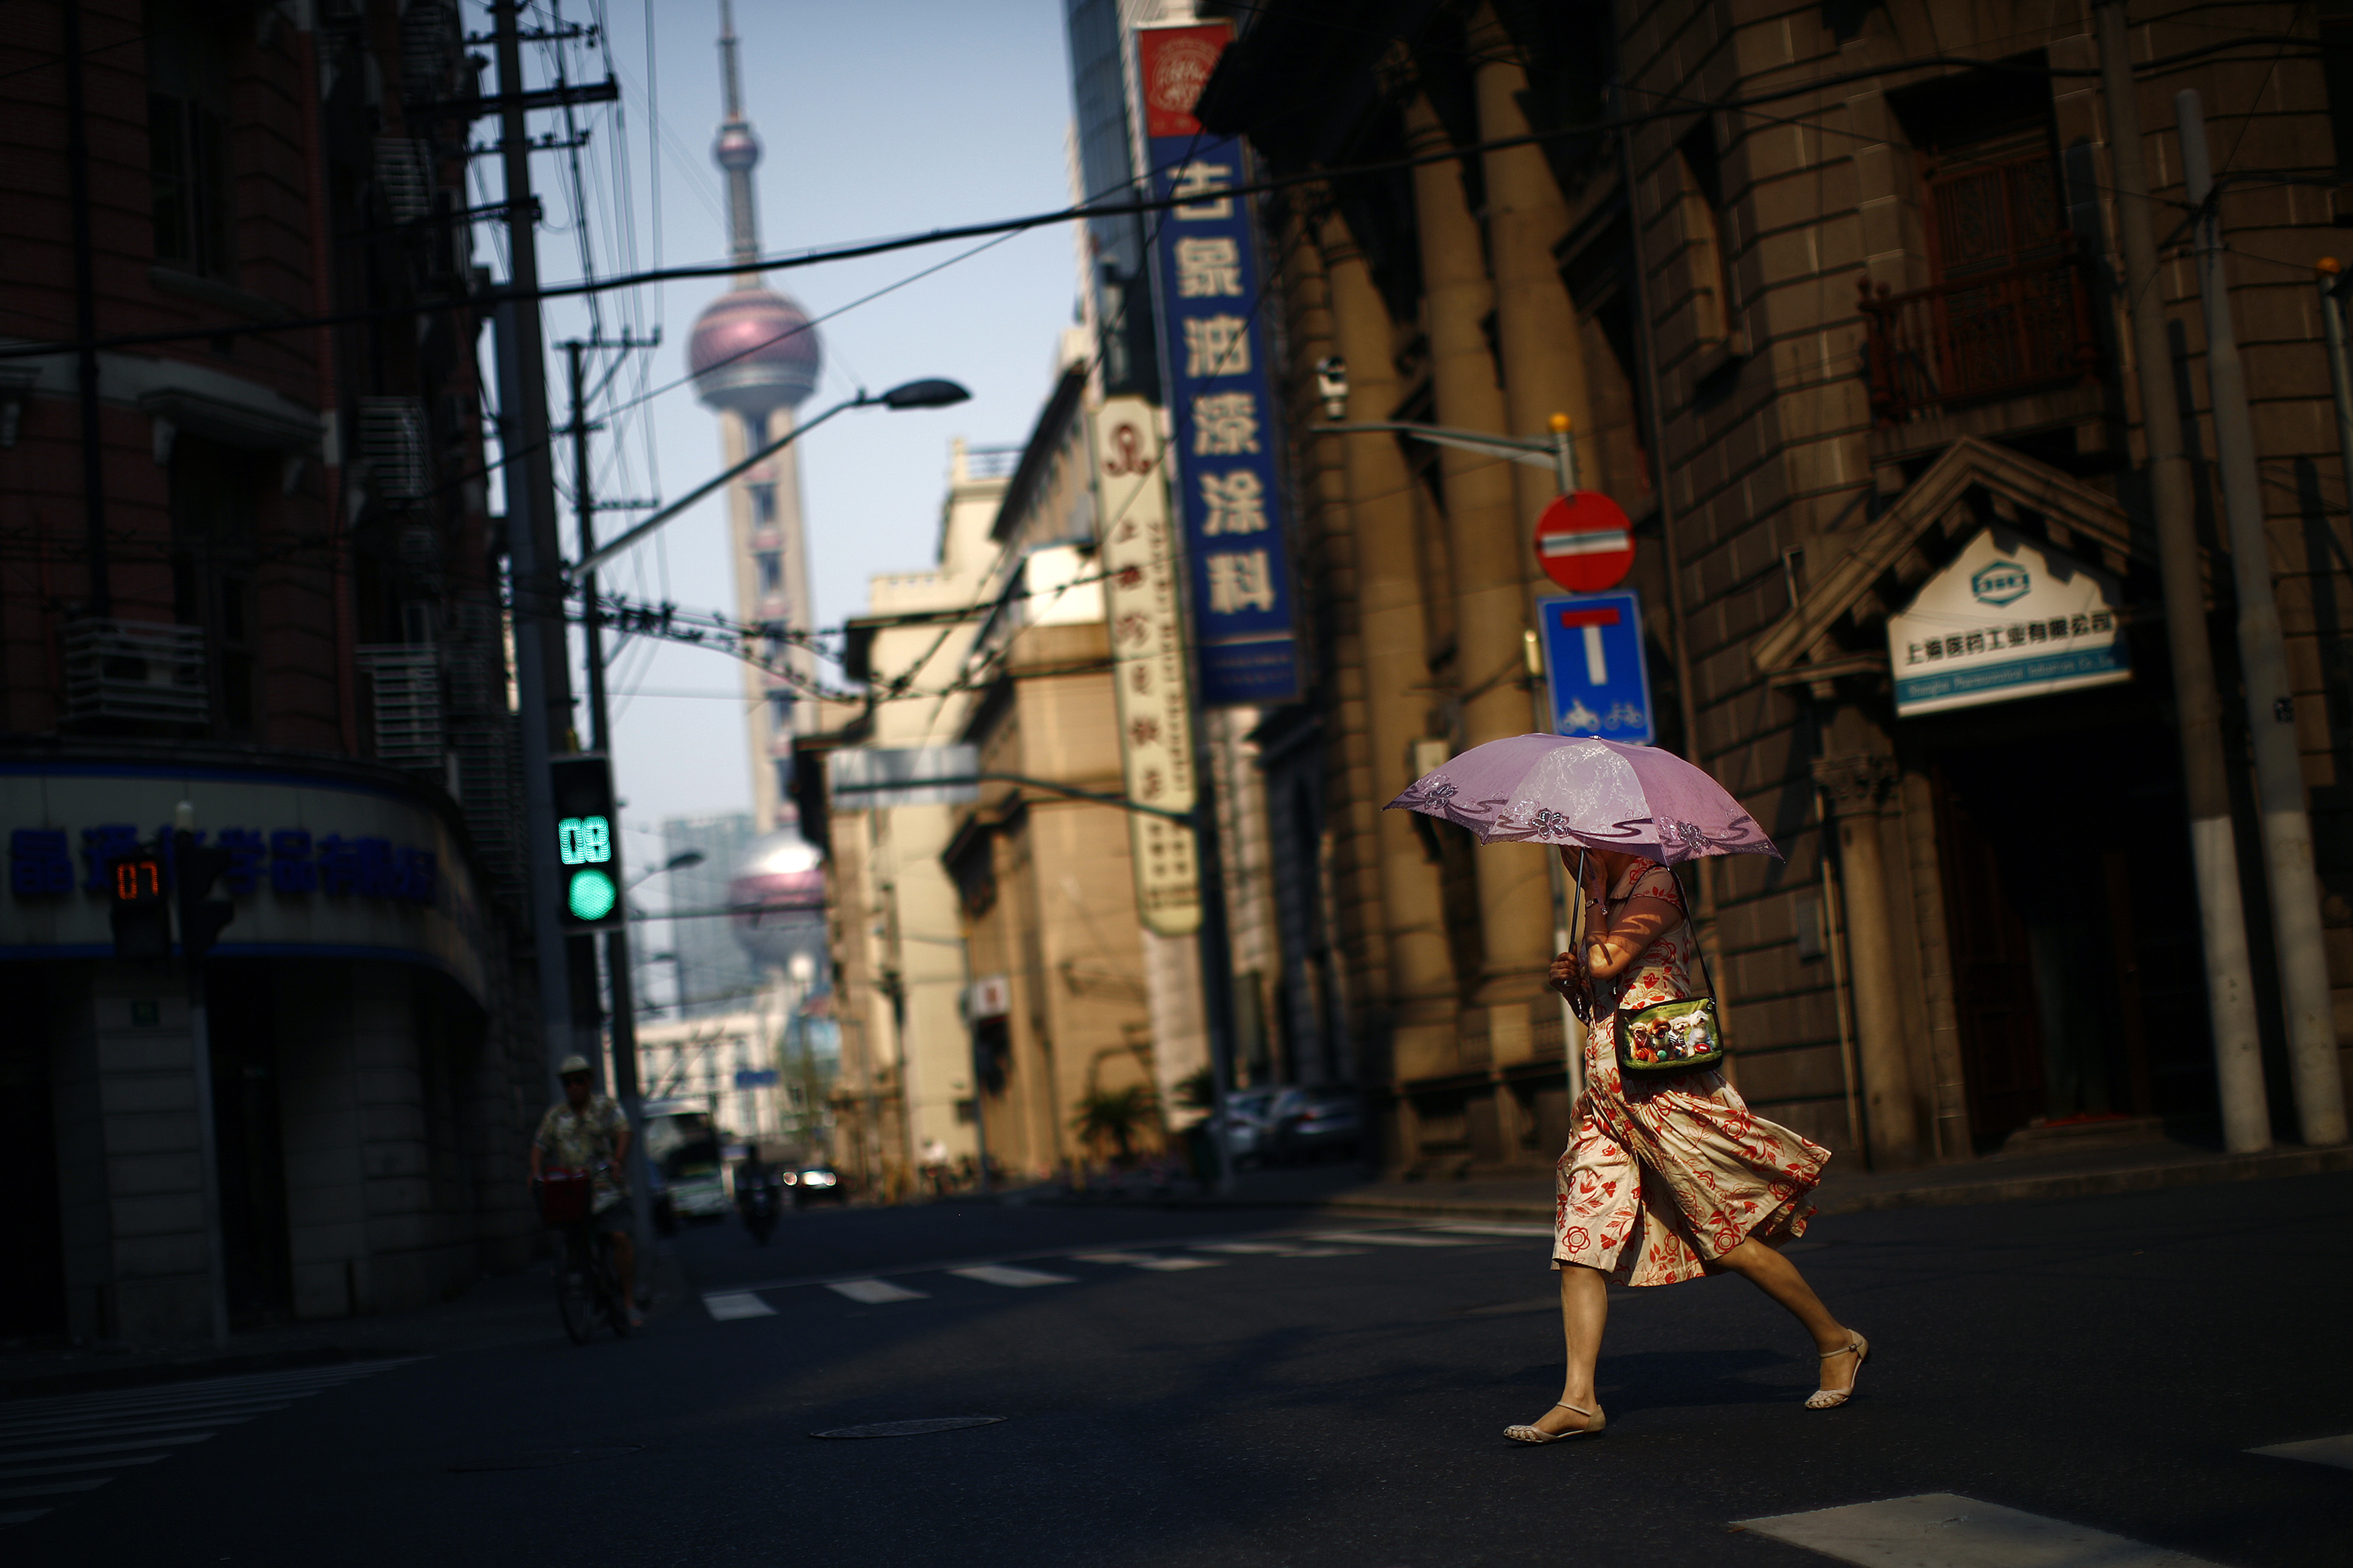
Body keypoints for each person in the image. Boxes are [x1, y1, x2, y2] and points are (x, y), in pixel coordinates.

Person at [1507, 847, 1864, 1444]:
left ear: (1612, 840)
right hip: (1603, 1104)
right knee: (1579, 1240)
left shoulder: (1659, 886)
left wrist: (1592, 911)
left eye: (1577, 848)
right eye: (1565, 851)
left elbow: (1609, 959)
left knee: (1724, 1241)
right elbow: (1602, 997)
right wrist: (1571, 986)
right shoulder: (1604, 898)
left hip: (1661, 1095)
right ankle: (1579, 1400)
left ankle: (1837, 1339)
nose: (1569, 858)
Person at [530, 1055, 642, 1329]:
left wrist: (618, 1161)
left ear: (589, 1081)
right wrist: (534, 1172)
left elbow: (624, 1132)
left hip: (606, 1186)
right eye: (567, 1082)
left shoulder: (606, 1107)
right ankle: (590, 1291)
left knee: (619, 1236)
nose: (573, 1087)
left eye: (579, 1080)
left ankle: (628, 1302)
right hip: (573, 1188)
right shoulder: (556, 1116)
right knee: (572, 1241)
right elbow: (539, 1145)